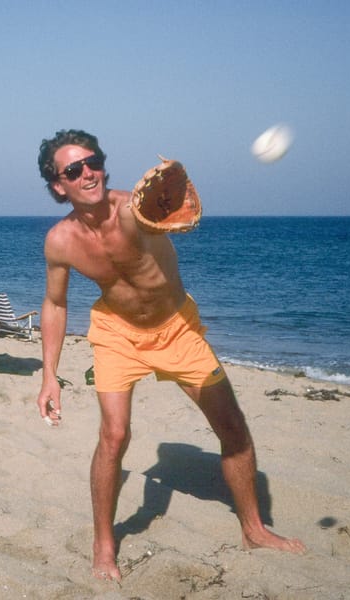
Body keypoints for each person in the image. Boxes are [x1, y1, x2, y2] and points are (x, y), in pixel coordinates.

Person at [35, 129, 305, 582]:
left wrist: (163, 199)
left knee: (231, 425)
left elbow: (147, 217)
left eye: (93, 161)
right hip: (117, 333)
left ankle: (254, 529)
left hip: (176, 328)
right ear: (58, 185)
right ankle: (104, 545)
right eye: (73, 170)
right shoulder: (59, 242)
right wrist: (48, 377)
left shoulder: (129, 212)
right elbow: (55, 304)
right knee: (114, 436)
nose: (88, 173)